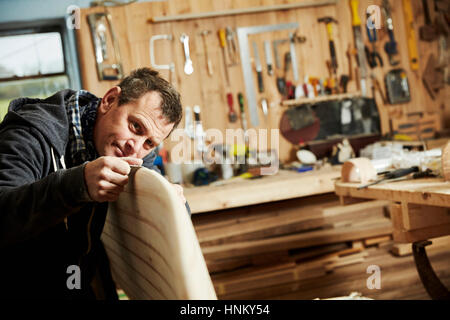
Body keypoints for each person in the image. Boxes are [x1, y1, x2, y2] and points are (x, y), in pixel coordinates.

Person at [0, 67, 187, 299]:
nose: (136, 148)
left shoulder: (135, 151)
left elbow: (163, 209)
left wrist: (175, 204)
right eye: (135, 126)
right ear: (109, 101)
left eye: (149, 142)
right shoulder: (30, 133)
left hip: (75, 280)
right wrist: (77, 185)